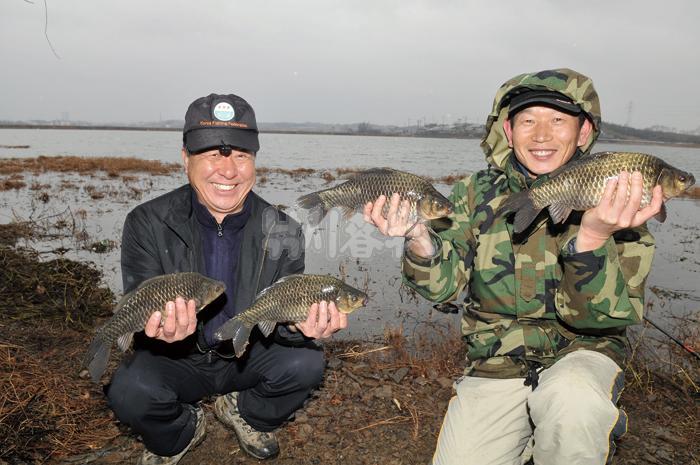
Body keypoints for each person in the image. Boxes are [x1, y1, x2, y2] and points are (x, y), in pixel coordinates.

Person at [363, 68, 663, 465]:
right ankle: (530, 434)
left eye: (558, 120)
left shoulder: (620, 197)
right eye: (527, 120)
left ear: (584, 132)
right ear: (507, 130)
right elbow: (444, 289)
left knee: (573, 407)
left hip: (581, 353)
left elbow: (601, 320)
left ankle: (587, 419)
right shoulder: (471, 194)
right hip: (496, 362)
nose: (541, 135)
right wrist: (419, 238)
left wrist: (591, 241)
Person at [106, 93, 348, 465]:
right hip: (178, 357)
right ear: (186, 159)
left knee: (307, 364)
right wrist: (154, 329)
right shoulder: (146, 222)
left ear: (254, 161)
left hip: (248, 353)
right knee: (128, 392)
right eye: (212, 155)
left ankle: (244, 411)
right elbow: (137, 307)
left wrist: (303, 327)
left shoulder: (284, 230)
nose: (229, 170)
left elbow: (280, 321)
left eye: (240, 155)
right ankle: (183, 429)